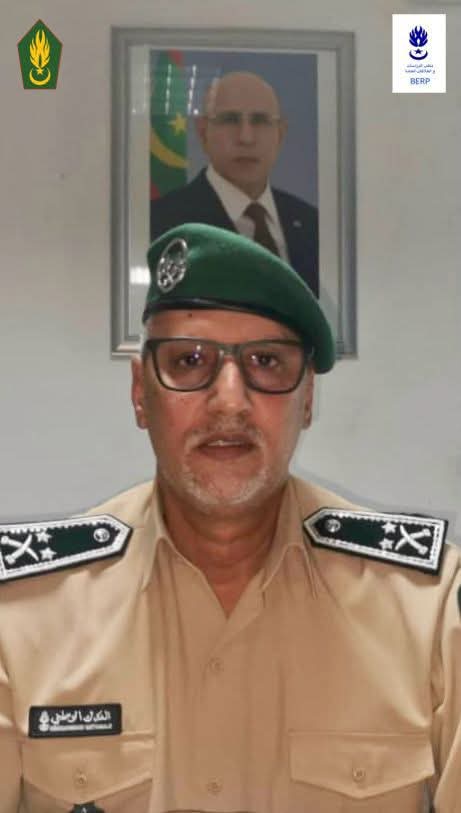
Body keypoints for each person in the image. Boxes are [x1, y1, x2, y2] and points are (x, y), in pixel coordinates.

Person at [0, 224, 460, 813]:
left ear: (308, 398)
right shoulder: (23, 611)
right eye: (189, 361)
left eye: (266, 361)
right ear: (140, 393)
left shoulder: (427, 607)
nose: (230, 401)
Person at [150, 71, 319, 295]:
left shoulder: (312, 222)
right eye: (229, 120)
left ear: (280, 134)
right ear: (202, 132)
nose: (246, 138)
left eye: (260, 121)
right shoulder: (161, 221)